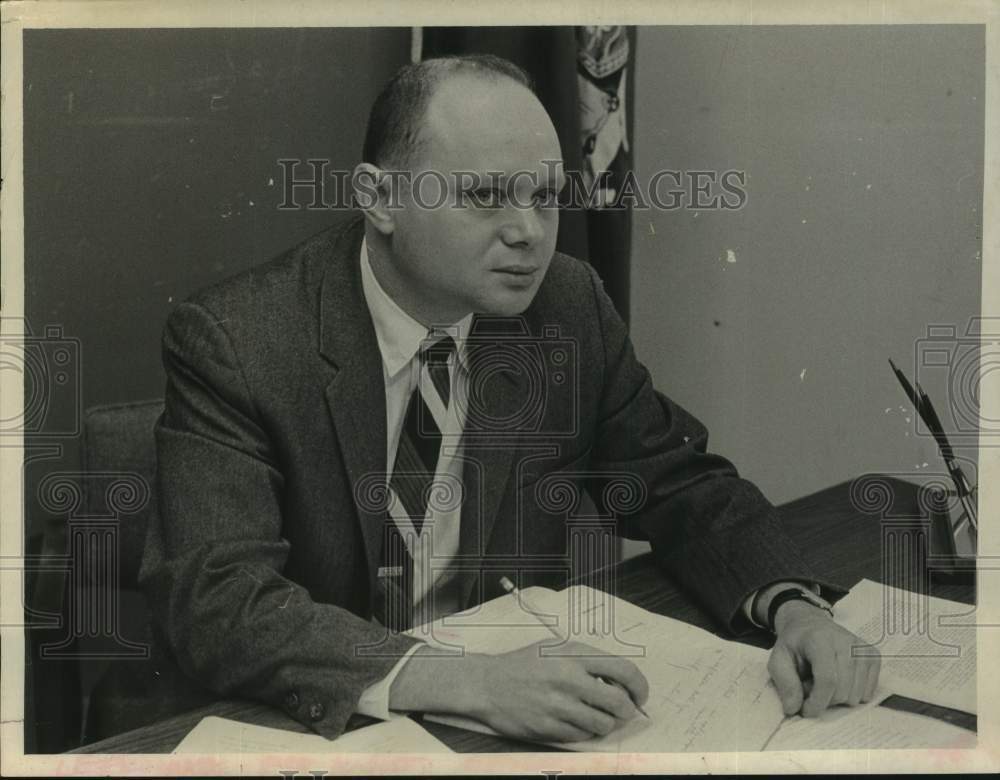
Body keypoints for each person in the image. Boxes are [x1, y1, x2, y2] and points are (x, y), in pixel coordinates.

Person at [140, 54, 880, 745]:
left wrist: (795, 608)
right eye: (486, 195)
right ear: (380, 198)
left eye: (546, 196)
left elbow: (679, 483)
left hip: (507, 719)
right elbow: (218, 600)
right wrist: (467, 682)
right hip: (317, 718)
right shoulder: (239, 340)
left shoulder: (566, 305)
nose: (529, 233)